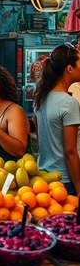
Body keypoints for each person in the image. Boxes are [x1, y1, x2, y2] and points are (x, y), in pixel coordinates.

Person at [33, 44, 80, 195]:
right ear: (69, 68)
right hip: (65, 181)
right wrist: (79, 188)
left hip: (44, 176)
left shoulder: (41, 97)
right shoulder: (68, 103)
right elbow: (70, 151)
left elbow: (41, 141)